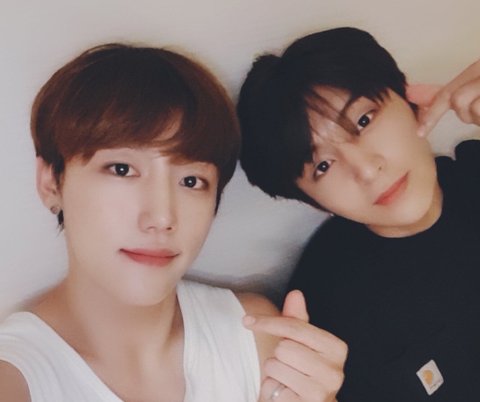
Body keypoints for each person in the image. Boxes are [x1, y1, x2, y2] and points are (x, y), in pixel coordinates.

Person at [0, 43, 347, 402]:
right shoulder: (15, 379)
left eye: (191, 181)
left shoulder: (253, 335)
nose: (162, 218)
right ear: (51, 183)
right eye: (122, 169)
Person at [237, 26, 480, 401]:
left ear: (409, 100)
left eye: (364, 121)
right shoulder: (330, 304)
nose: (366, 170)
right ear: (311, 200)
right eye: (322, 166)